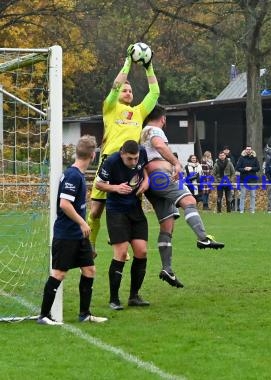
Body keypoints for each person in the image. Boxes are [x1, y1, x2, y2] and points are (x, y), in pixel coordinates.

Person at [87, 44, 159, 258]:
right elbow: (115, 87)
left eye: (130, 90)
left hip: (130, 166)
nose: (127, 92)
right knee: (96, 210)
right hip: (109, 162)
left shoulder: (138, 112)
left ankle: (121, 242)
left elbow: (154, 92)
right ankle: (90, 245)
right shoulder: (110, 108)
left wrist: (149, 67)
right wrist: (128, 62)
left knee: (128, 205)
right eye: (124, 90)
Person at [141, 105, 225, 289]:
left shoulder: (142, 131)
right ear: (163, 118)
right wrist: (176, 163)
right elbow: (158, 144)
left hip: (152, 182)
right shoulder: (155, 130)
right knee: (190, 201)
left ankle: (167, 269)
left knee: (167, 225)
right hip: (161, 177)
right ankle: (203, 238)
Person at [37, 135, 108, 325]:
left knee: (89, 269)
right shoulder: (73, 175)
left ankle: (85, 314)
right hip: (67, 234)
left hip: (78, 235)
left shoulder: (77, 174)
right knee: (59, 273)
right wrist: (83, 223)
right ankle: (44, 315)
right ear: (93, 155)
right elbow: (65, 204)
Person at [95, 140, 151, 310]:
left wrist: (146, 183)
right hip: (116, 212)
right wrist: (116, 188)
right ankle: (114, 299)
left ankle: (134, 296)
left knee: (142, 251)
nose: (133, 162)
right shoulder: (111, 161)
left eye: (136, 158)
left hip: (135, 209)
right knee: (121, 253)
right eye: (129, 159)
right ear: (121, 153)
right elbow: (98, 184)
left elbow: (145, 172)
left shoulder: (142, 152)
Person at [236, 145, 260, 213]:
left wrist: (251, 168)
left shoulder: (255, 158)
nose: (248, 150)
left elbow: (258, 168)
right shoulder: (241, 158)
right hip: (243, 179)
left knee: (253, 195)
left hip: (252, 179)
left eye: (249, 149)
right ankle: (241, 210)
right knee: (242, 195)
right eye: (247, 149)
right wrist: (244, 169)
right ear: (245, 150)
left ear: (251, 150)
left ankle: (252, 210)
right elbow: (237, 168)